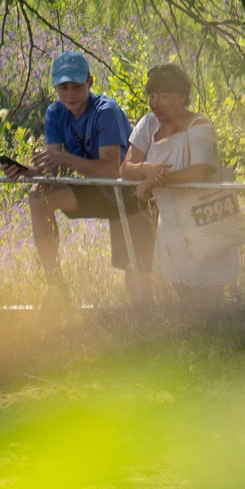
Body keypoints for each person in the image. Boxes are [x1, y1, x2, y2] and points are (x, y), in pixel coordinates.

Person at [24, 51, 154, 304]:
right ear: (55, 87)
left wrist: (64, 159)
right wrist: (28, 171)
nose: (70, 94)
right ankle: (56, 287)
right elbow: (52, 166)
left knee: (137, 274)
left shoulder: (106, 110)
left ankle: (147, 319)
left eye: (77, 86)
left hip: (127, 192)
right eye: (63, 87)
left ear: (90, 82)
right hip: (95, 189)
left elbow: (111, 169)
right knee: (39, 197)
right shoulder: (55, 113)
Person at [119, 62, 240, 304]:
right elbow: (125, 169)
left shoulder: (200, 127)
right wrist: (145, 169)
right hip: (172, 223)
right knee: (184, 293)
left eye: (164, 96)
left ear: (183, 96)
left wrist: (154, 182)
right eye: (153, 96)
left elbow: (201, 171)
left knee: (211, 297)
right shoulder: (148, 124)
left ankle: (222, 336)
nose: (156, 103)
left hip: (206, 219)